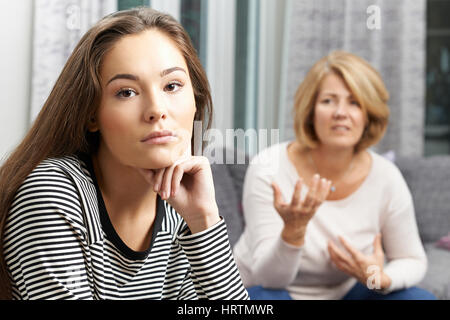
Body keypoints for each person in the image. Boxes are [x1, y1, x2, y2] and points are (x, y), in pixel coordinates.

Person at [0, 8, 248, 300]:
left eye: (172, 86)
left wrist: (204, 219)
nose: (157, 109)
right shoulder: (53, 193)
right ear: (91, 115)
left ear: (196, 100)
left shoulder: (181, 207)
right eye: (126, 92)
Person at [233, 51, 436, 300]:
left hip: (346, 292)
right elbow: (270, 279)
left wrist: (380, 277)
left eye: (354, 102)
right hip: (272, 290)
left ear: (368, 114)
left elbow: (411, 258)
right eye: (328, 101)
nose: (341, 112)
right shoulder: (268, 167)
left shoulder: (386, 177)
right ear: (310, 111)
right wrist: (293, 232)